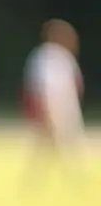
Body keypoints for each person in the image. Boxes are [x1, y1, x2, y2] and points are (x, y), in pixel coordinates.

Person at [23, 19, 87, 179]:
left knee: (59, 143)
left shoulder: (65, 57)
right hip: (52, 107)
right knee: (52, 143)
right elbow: (38, 86)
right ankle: (69, 175)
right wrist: (44, 110)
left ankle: (68, 174)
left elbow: (75, 83)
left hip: (66, 107)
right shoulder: (44, 57)